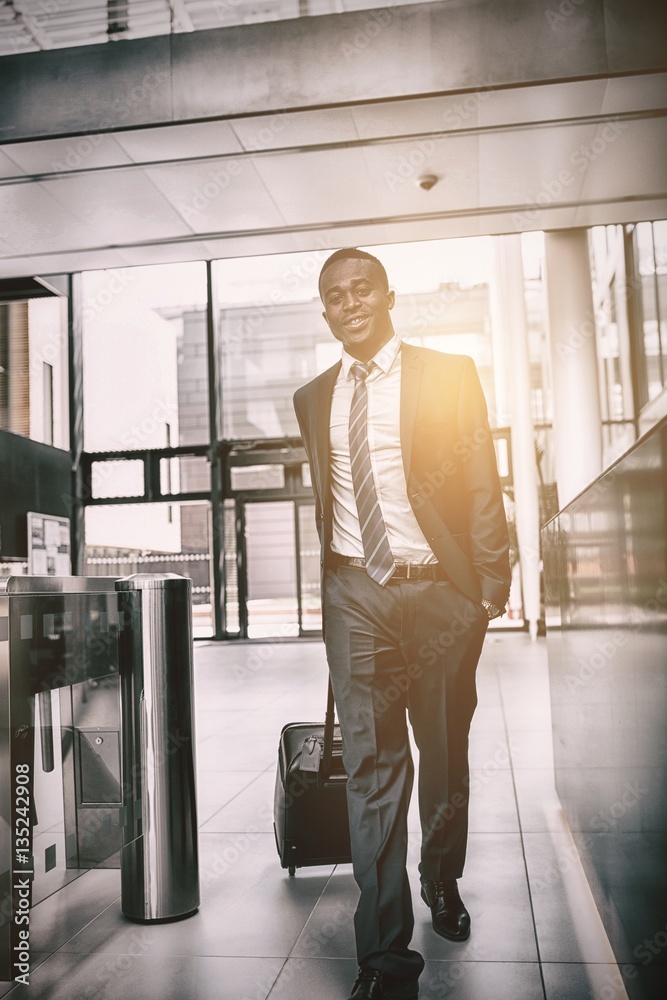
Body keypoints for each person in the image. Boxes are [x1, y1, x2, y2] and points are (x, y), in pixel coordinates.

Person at [293, 248, 511, 1000]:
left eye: (360, 289)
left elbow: (481, 477)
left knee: (443, 752)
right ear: (324, 311)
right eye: (333, 296)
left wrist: (486, 585)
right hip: (355, 591)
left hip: (439, 593)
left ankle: (439, 877)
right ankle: (385, 960)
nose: (348, 303)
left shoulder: (446, 373)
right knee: (372, 768)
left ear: (388, 295)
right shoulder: (312, 395)